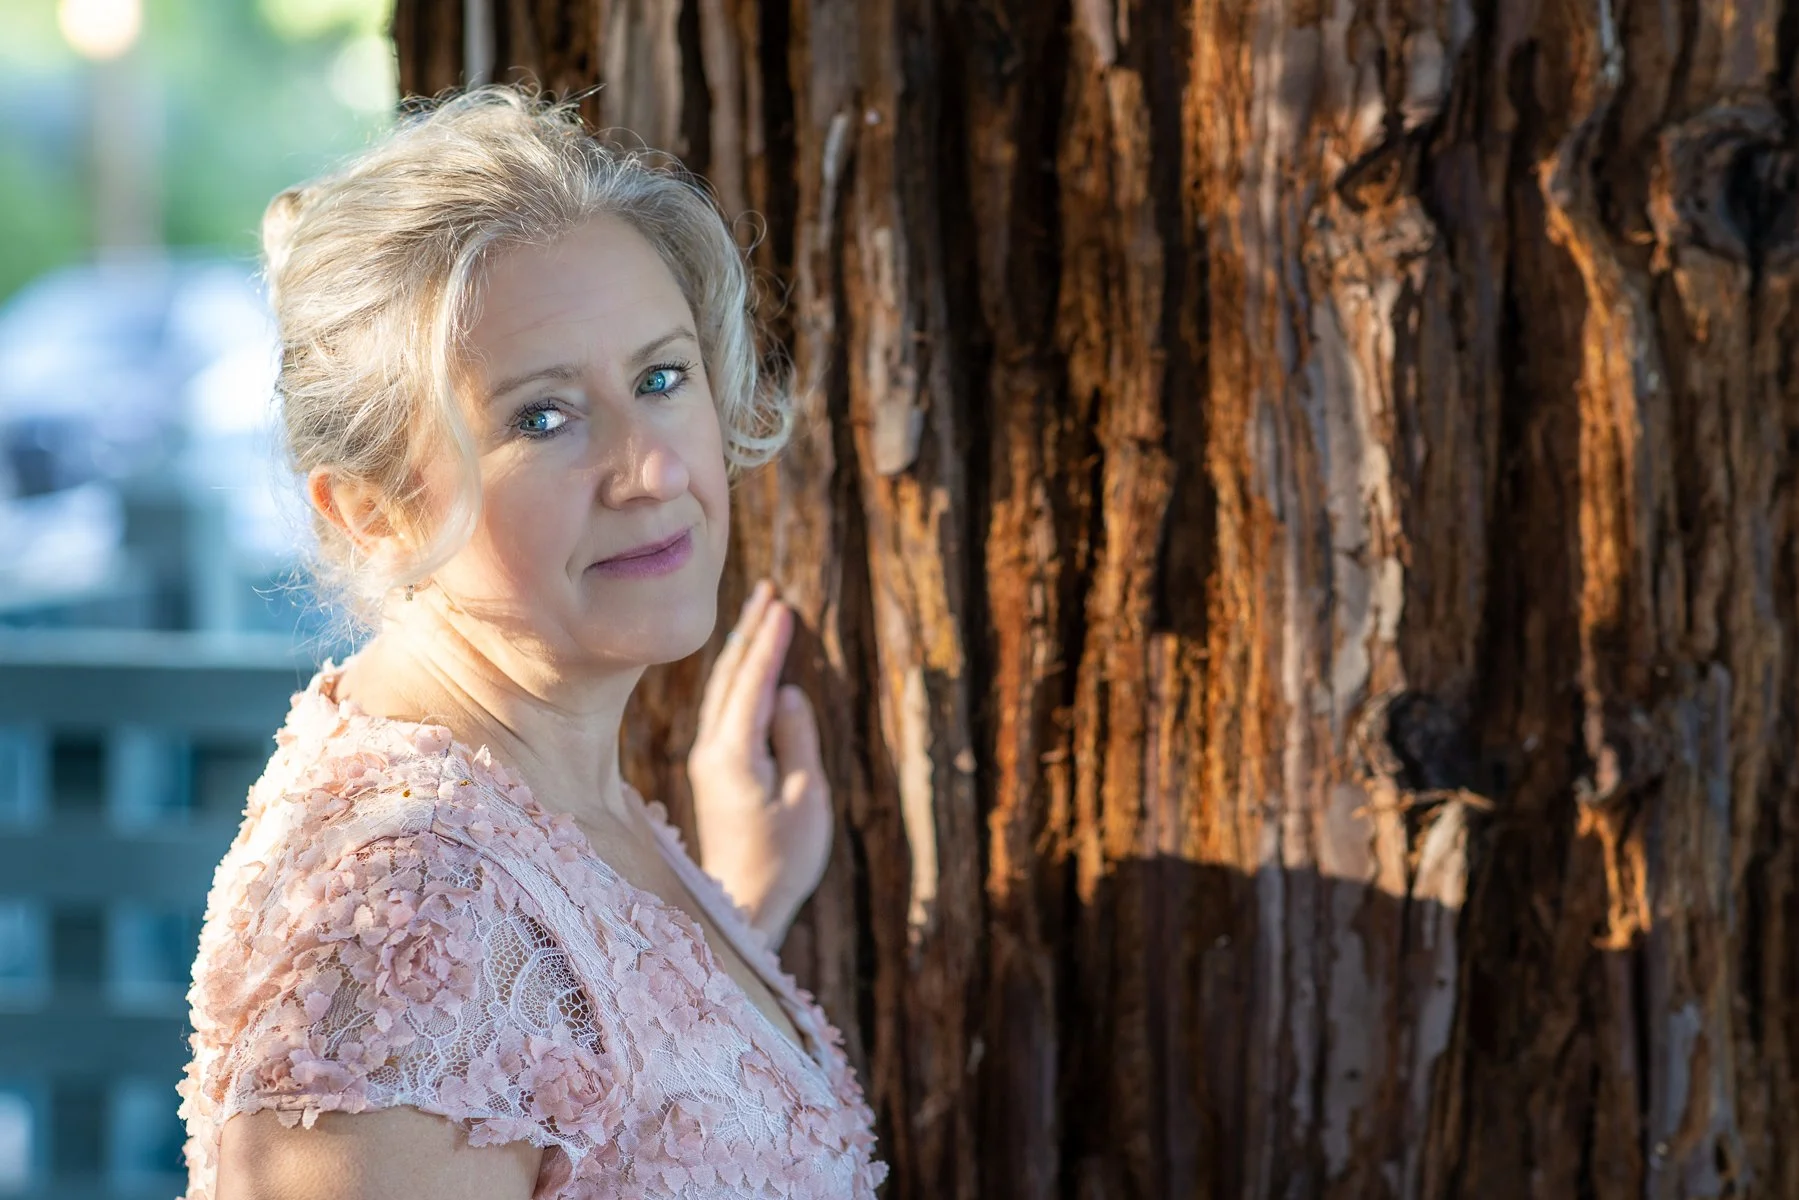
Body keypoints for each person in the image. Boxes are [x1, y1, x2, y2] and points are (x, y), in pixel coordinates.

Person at [174, 86, 888, 1199]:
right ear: (368, 509)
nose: (650, 468)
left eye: (662, 377)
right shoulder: (407, 908)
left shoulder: (537, 818)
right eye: (541, 418)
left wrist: (723, 920)